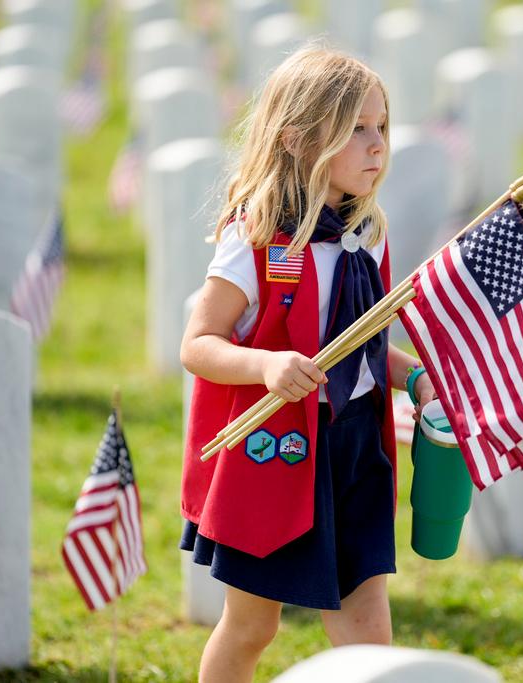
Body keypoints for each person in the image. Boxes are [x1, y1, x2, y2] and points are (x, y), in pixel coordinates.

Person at [179, 46, 436, 683]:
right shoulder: (259, 235)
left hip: (354, 445)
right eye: (355, 130)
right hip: (277, 452)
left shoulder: (366, 234)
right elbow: (199, 343)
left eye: (381, 127)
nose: (376, 146)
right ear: (296, 140)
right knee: (252, 625)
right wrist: (266, 367)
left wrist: (415, 377)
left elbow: (359, 348)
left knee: (366, 621)